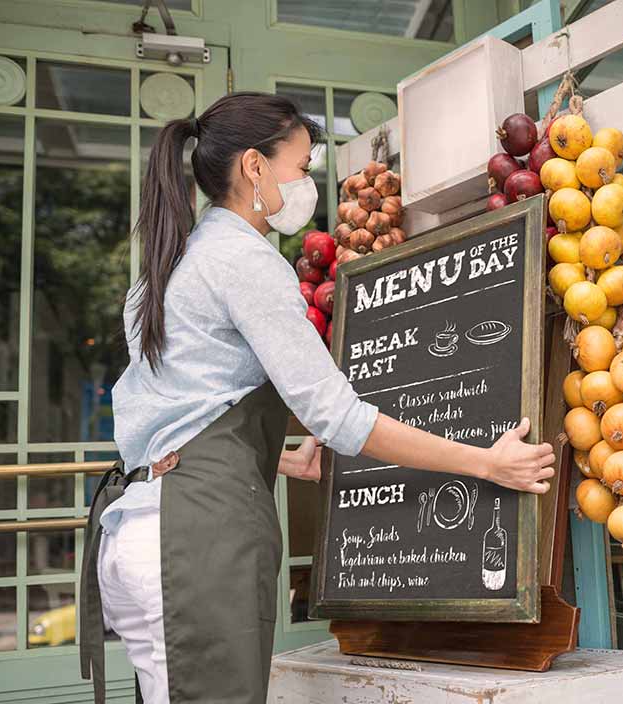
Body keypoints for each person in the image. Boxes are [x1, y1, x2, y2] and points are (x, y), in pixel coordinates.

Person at [78, 92, 554, 704]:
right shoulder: (245, 261)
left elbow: (175, 416)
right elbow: (339, 416)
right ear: (254, 167)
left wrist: (277, 456)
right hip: (194, 546)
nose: (306, 185)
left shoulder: (163, 271)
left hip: (143, 533)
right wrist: (486, 462)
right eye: (301, 168)